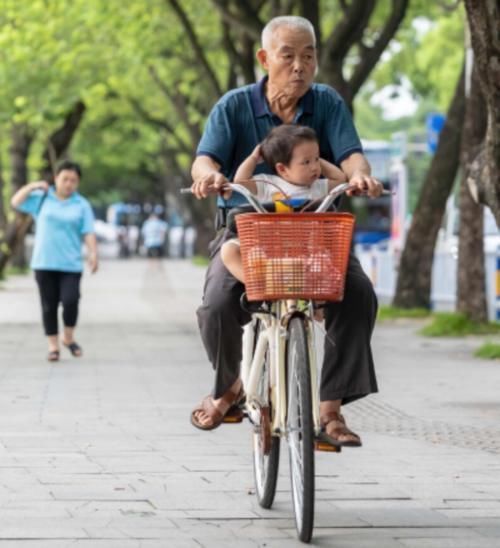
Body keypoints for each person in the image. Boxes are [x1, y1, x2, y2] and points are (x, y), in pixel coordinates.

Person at [190, 15, 383, 447]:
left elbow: (352, 156)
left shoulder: (328, 103)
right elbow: (205, 159)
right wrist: (208, 177)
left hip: (317, 230)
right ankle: (230, 388)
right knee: (218, 301)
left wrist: (361, 176)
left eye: (309, 55)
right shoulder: (234, 106)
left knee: (358, 294)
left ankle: (330, 409)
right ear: (264, 58)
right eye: (288, 55)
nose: (300, 65)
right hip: (250, 227)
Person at [220, 124, 346, 282]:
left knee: (325, 267)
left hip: (306, 250)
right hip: (266, 249)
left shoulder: (317, 187)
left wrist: (312, 156)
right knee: (229, 250)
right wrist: (253, 158)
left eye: (316, 159)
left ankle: (319, 306)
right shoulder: (267, 184)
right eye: (306, 162)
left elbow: (340, 179)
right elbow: (240, 181)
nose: (315, 167)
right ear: (282, 169)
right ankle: (259, 285)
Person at [11, 160, 98, 362]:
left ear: (77, 183)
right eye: (65, 179)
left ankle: (67, 337)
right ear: (56, 178)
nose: (68, 184)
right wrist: (33, 186)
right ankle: (53, 346)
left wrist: (94, 254)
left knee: (70, 301)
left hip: (71, 264)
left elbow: (89, 232)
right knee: (48, 305)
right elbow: (15, 202)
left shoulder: (81, 204)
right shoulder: (41, 198)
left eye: (73, 181)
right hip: (44, 262)